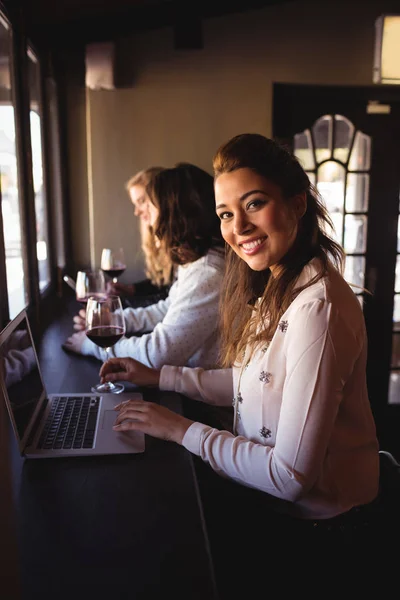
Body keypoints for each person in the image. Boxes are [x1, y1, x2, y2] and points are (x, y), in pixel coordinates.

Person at [98, 133, 381, 592]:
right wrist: (161, 376)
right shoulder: (279, 282)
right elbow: (256, 382)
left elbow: (289, 477)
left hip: (318, 533)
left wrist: (178, 428)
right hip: (276, 508)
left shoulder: (317, 308)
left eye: (254, 204)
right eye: (226, 214)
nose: (238, 228)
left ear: (297, 203)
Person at [63, 163, 226, 370]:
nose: (146, 217)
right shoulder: (198, 261)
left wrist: (93, 346)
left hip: (201, 395)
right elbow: (168, 308)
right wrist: (114, 320)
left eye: (149, 206)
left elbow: (158, 354)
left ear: (172, 214)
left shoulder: (207, 271)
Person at [108, 166, 174, 307]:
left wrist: (119, 306)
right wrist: (132, 290)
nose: (136, 212)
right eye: (135, 204)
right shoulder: (159, 238)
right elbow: (162, 283)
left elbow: (169, 300)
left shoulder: (182, 244)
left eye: (142, 201)